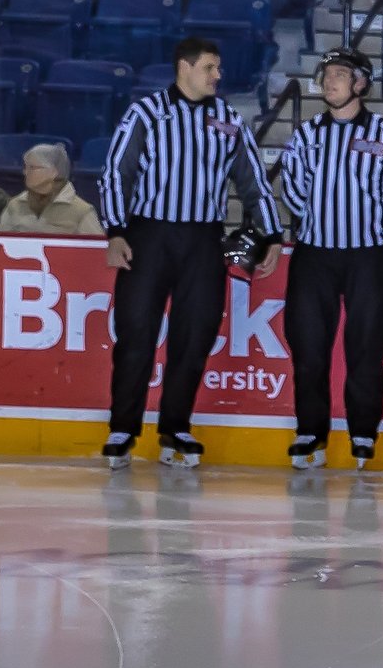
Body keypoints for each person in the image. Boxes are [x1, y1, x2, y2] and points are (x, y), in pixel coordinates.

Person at [96, 36, 282, 466]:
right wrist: (116, 232)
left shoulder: (229, 119)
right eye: (209, 67)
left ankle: (175, 428)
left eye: (218, 67)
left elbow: (253, 181)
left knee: (194, 337)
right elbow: (116, 173)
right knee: (136, 334)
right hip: (149, 237)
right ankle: (122, 428)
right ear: (185, 67)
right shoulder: (147, 112)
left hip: (204, 241)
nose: (218, 75)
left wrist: (272, 234)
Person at [274, 46, 383, 471]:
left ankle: (363, 432)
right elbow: (292, 190)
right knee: (308, 348)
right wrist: (320, 219)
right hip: (314, 256)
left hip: (368, 257)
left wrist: (372, 226)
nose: (329, 80)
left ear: (361, 83)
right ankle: (310, 432)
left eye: (339, 73)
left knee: (366, 349)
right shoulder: (306, 134)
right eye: (326, 73)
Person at [0, 142, 101, 236]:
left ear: (53, 172)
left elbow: (96, 248)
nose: (25, 172)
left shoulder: (81, 211)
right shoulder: (15, 205)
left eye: (32, 167)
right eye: (25, 167)